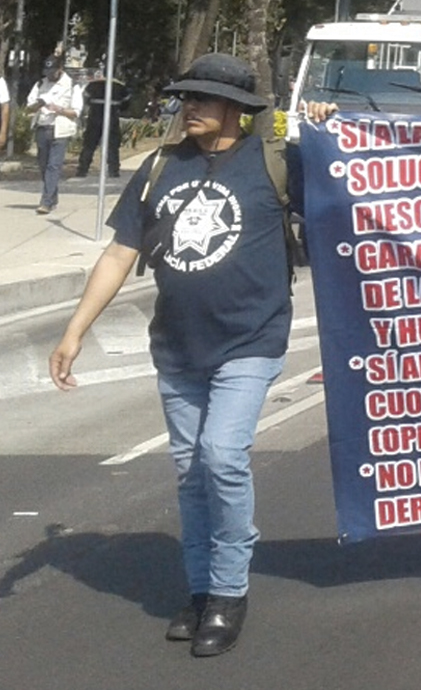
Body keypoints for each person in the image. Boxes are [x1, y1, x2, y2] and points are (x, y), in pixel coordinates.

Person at [48, 53, 299, 658]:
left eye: (204, 99)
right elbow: (118, 253)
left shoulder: (274, 165)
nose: (190, 107)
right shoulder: (162, 166)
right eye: (186, 97)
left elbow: (357, 184)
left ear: (236, 109)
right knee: (190, 472)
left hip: (251, 339)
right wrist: (75, 331)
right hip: (179, 346)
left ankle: (228, 593)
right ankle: (199, 591)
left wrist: (327, 124)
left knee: (222, 455)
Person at [25, 55, 83, 214]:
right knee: (44, 166)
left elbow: (76, 111)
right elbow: (29, 107)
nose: (50, 75)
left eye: (53, 71)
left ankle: (46, 201)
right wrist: (39, 104)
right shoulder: (40, 84)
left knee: (53, 166)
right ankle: (52, 195)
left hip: (60, 129)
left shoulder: (72, 85)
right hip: (42, 127)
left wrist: (59, 109)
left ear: (60, 69)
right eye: (47, 71)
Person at [77, 69, 133, 178]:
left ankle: (82, 169)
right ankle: (114, 170)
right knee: (112, 145)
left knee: (89, 144)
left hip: (95, 117)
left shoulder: (92, 85)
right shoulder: (120, 87)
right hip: (112, 118)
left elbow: (86, 99)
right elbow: (126, 104)